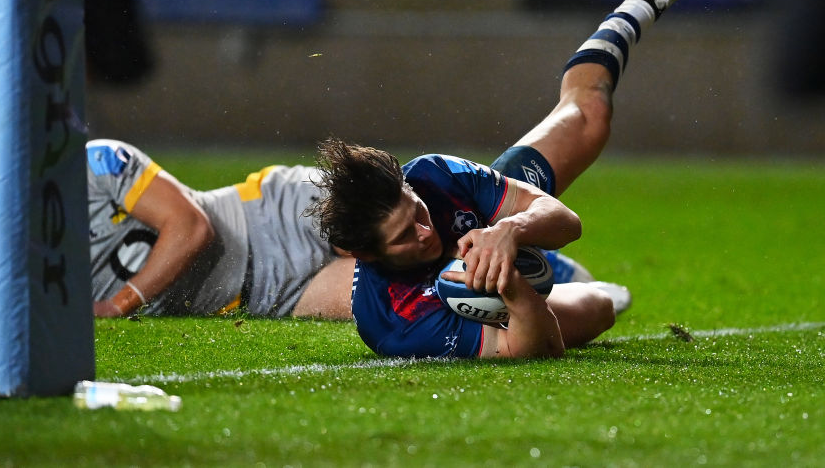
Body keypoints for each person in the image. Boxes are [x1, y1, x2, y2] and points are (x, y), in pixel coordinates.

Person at [308, 0, 728, 359]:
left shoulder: (433, 176)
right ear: (365, 253)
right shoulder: (394, 322)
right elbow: (534, 349)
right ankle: (574, 283)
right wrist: (509, 286)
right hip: (489, 309)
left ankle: (641, 0)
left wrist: (510, 230)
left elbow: (566, 223)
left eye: (415, 210)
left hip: (497, 224)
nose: (424, 228)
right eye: (402, 236)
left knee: (589, 115)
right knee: (598, 309)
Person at [86, 140, 594, 321]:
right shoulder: (19, 260)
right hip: (271, 294)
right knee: (438, 296)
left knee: (426, 222)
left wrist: (119, 303)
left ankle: (531, 243)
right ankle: (557, 290)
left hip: (276, 215)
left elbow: (189, 227)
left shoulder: (94, 163)